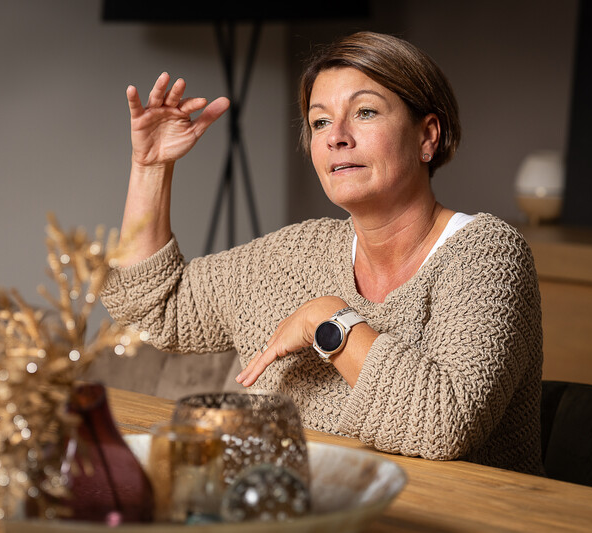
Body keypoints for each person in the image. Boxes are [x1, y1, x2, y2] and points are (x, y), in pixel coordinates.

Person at [101, 31, 544, 475]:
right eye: (319, 122)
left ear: (427, 137)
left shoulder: (488, 254)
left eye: (365, 112)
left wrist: (327, 320)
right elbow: (152, 307)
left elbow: (443, 425)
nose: (337, 137)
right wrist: (151, 167)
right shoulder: (295, 255)